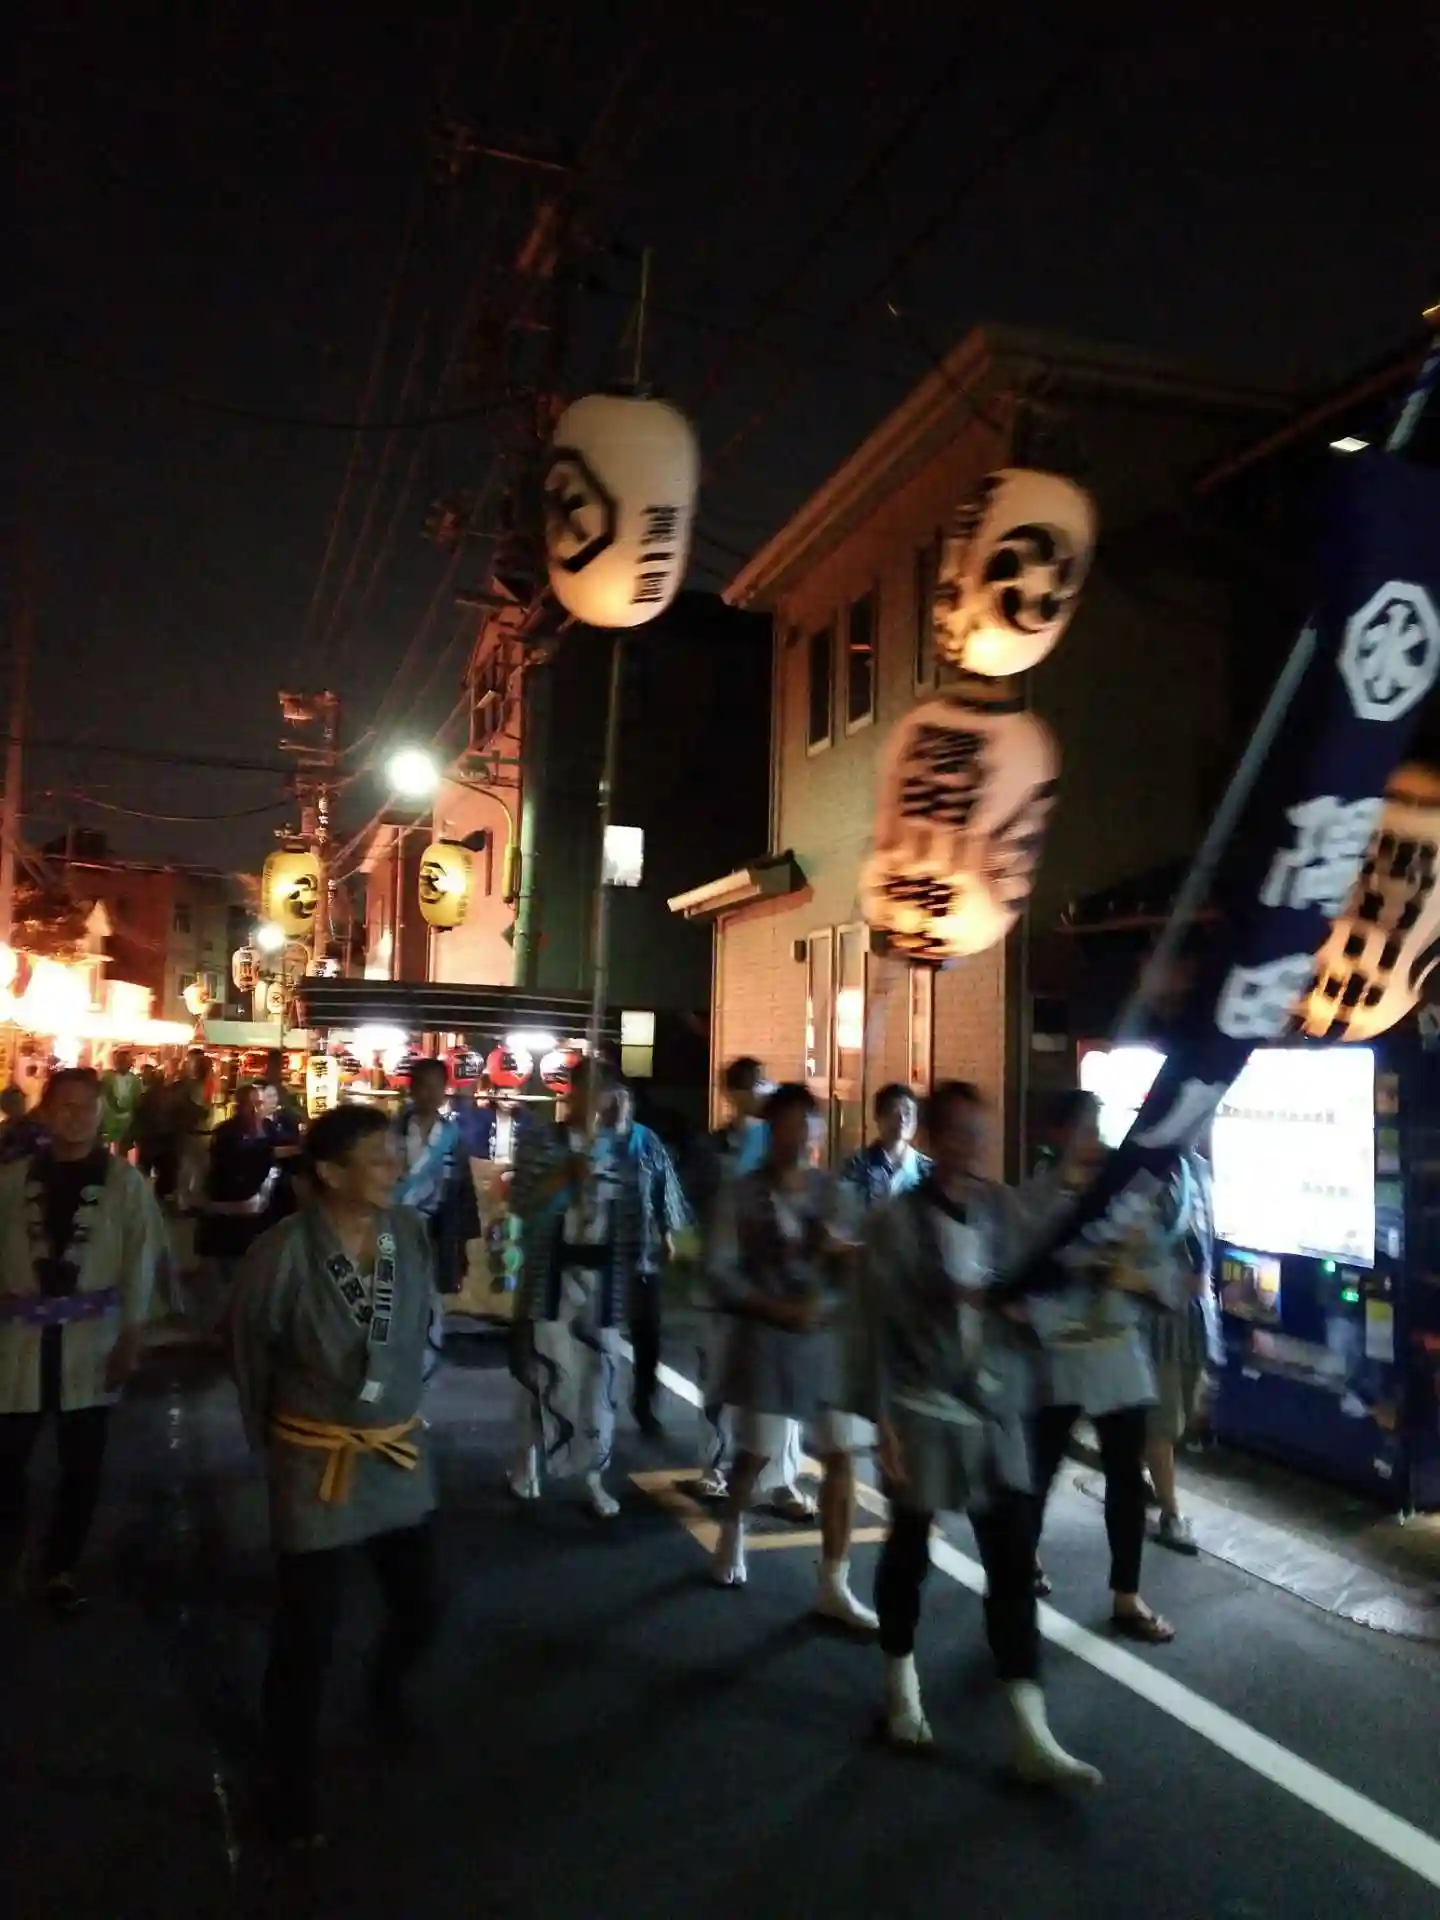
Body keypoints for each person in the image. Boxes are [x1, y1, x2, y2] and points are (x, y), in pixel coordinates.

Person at [856, 1081, 1100, 1785]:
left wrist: (1031, 1315)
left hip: (995, 1409)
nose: (973, 1145)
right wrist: (881, 1419)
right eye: (959, 1132)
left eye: (980, 1133)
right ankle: (901, 1682)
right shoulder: (896, 1222)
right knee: (909, 1545)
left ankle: (1031, 1728)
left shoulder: (1006, 1210)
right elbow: (872, 1326)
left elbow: (1056, 1281)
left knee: (1012, 1559)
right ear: (933, 1139)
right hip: (920, 1404)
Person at [230, 1104, 443, 1847]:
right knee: (306, 1637)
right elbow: (250, 1353)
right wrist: (271, 1442)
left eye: (395, 1155)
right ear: (329, 1172)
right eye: (379, 1158)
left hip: (394, 1451)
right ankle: (287, 1787)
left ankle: (386, 1686)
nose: (396, 1169)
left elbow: (419, 1328)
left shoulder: (407, 1234)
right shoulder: (282, 1251)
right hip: (315, 1456)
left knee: (423, 1604)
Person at [708, 1083, 876, 1630]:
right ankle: (732, 1527)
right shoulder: (742, 1194)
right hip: (767, 1336)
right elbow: (720, 1271)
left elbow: (862, 1259)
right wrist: (773, 1307)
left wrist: (843, 1251)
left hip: (826, 1339)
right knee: (755, 1452)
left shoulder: (835, 1194)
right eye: (786, 1125)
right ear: (770, 1131)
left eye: (806, 1124)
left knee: (841, 1454)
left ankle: (834, 1580)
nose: (797, 1136)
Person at [0, 1067, 165, 1611]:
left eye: (86, 1107)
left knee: (82, 1464)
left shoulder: (126, 1184)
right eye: (64, 1107)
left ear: (101, 1114)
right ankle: (12, 1551)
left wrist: (132, 1337)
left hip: (92, 1342)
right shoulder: (12, 1181)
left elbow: (140, 1262)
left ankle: (61, 1567)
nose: (75, 1117)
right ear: (46, 1112)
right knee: (8, 1458)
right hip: (18, 1343)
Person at [1020, 1089, 1180, 1643]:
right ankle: (1021, 1563)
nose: (1094, 1141)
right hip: (1057, 1354)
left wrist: (1131, 1275)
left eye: (1097, 1128)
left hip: (1117, 1352)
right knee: (1038, 1471)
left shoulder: (1122, 1199)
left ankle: (1126, 1595)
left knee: (1126, 1478)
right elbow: (1014, 1283)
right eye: (1085, 1129)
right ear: (1057, 1135)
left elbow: (1166, 1279)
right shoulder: (1030, 1203)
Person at [508, 1059, 686, 1517]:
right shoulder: (542, 1140)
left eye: (599, 1091)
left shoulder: (630, 1144)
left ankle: (594, 1473)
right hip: (551, 1274)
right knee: (542, 1372)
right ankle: (527, 1458)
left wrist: (660, 1236)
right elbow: (523, 1203)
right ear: (570, 1092)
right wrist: (565, 1176)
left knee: (598, 1380)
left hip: (606, 1279)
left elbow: (647, 1194)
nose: (590, 1100)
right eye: (582, 1089)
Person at [685, 1057, 809, 1516]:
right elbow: (696, 1204)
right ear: (730, 1094)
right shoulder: (711, 1148)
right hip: (723, 1285)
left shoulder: (782, 1150)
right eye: (748, 1087)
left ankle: (781, 1479)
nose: (757, 1094)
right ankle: (714, 1467)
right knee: (718, 1379)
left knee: (783, 1386)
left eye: (761, 1085)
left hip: (775, 1286)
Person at [1144, 1145, 1219, 1555]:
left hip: (1196, 1312)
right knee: (1165, 1418)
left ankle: (1137, 1473)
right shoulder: (1144, 1172)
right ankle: (1171, 1514)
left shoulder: (1200, 1169)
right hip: (1160, 1313)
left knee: (1183, 1410)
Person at [613, 1083, 691, 1439]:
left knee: (648, 1333)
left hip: (642, 1249)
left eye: (624, 1100)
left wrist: (668, 1234)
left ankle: (644, 1402)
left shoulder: (646, 1140)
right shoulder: (592, 1140)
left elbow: (664, 1187)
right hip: (603, 1250)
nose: (618, 1106)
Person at [391, 1058, 481, 1297]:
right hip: (392, 1224)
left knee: (431, 1297)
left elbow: (463, 1189)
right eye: (425, 1086)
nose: (431, 1094)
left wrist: (461, 1243)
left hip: (437, 1229)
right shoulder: (391, 1132)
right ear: (412, 1089)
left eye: (437, 1086)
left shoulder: (452, 1135)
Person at [841, 1082, 932, 1209]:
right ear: (878, 1117)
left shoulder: (927, 1170)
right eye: (894, 1112)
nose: (902, 1120)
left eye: (907, 1113)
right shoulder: (856, 1164)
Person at [98, 1047, 141, 1155]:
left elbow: (137, 1099)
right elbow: (103, 1094)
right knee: (105, 1148)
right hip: (109, 1118)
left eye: (129, 1062)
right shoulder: (107, 1077)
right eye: (122, 1061)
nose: (130, 1064)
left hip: (127, 1119)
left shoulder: (135, 1080)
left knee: (122, 1149)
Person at [0, 1084, 46, 1165]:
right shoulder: (4, 1130)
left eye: (18, 1101)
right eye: (13, 1102)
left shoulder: (36, 1126)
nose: (17, 1105)